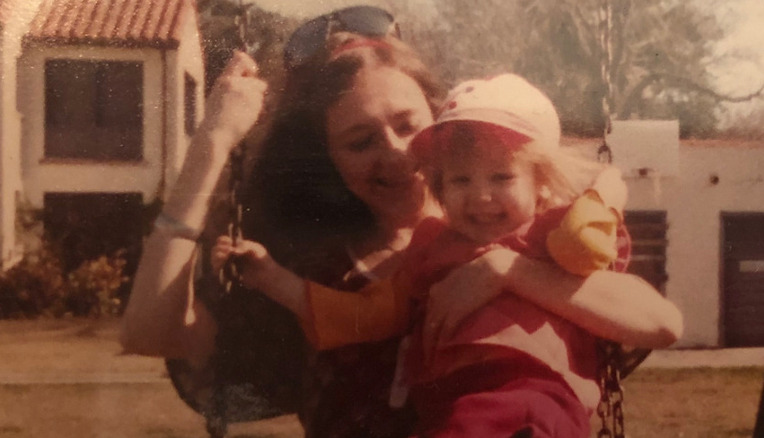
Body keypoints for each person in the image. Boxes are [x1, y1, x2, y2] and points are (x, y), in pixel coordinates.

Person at [121, 6, 683, 438]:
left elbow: (658, 321)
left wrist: (507, 271)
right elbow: (151, 332)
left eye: (407, 124)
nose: (394, 155)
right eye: (360, 141)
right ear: (329, 160)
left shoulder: (532, 234)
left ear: (442, 121)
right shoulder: (317, 271)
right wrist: (212, 145)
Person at [214, 73, 674, 437]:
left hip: (530, 403)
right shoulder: (434, 252)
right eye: (460, 181)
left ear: (542, 183)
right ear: (438, 188)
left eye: (501, 178)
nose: (481, 198)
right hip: (449, 410)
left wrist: (605, 189)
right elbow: (365, 316)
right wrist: (272, 277)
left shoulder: (551, 241)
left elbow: (592, 249)